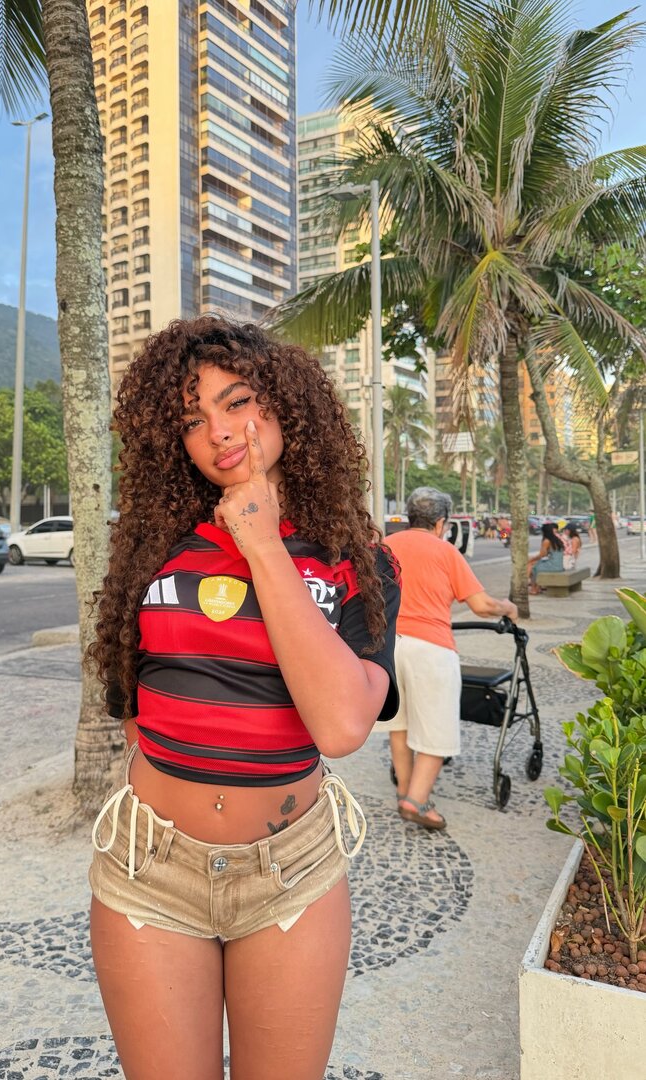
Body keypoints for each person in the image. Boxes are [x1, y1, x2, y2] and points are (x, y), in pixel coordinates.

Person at [86, 316, 401, 1080]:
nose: (220, 432)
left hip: (291, 872)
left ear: (286, 403)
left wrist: (261, 542)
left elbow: (341, 725)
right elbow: (134, 709)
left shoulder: (357, 561)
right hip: (151, 868)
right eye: (193, 420)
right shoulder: (155, 550)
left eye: (237, 402)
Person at [382, 487, 518, 830]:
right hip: (430, 649)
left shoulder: (385, 546)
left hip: (388, 646)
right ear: (441, 522)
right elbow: (481, 605)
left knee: (398, 725)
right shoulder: (445, 551)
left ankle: (403, 792)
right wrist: (507, 607)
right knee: (436, 728)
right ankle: (416, 801)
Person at [528, 521, 565, 594]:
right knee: (534, 564)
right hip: (559, 566)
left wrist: (532, 559)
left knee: (533, 567)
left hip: (553, 566)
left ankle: (534, 589)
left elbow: (542, 555)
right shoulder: (556, 539)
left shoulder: (547, 541)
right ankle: (537, 587)